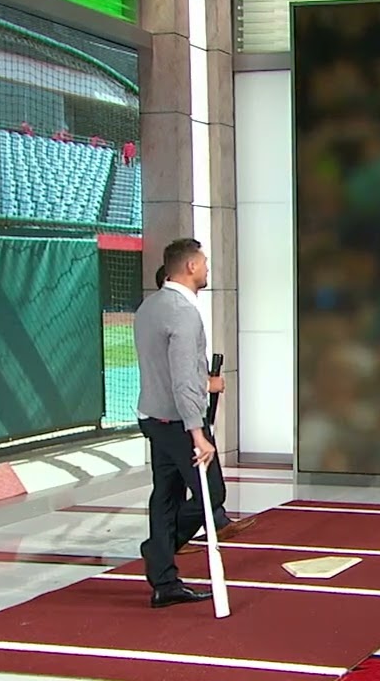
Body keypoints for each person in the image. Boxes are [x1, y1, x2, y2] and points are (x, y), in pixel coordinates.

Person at [134, 239, 228, 608]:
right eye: (203, 261)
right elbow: (183, 380)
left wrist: (204, 383)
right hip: (177, 422)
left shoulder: (149, 307)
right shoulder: (183, 313)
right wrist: (198, 433)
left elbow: (169, 368)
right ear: (190, 266)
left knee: (166, 496)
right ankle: (159, 553)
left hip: (153, 417)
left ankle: (164, 582)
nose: (206, 267)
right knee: (212, 494)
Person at [152, 263, 256, 556]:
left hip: (175, 413)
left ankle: (195, 531)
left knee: (174, 485)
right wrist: (206, 384)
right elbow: (175, 372)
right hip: (174, 415)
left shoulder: (177, 312)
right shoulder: (170, 315)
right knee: (199, 487)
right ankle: (167, 542)